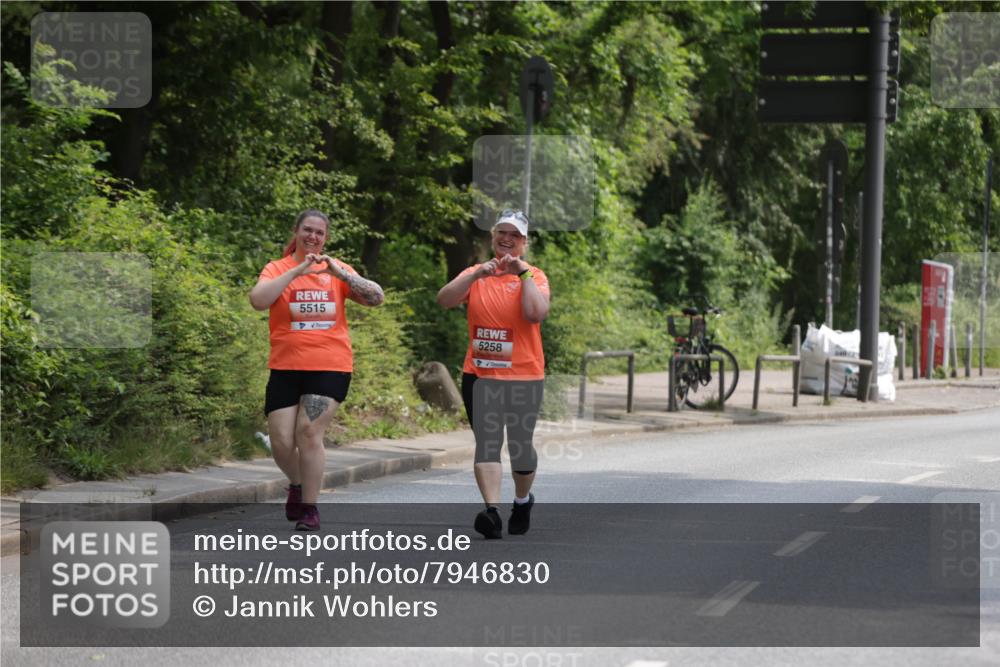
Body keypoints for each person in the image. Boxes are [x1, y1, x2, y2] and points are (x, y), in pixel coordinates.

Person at [249, 209, 384, 530]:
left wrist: (342, 275)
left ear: (326, 238)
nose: (313, 236)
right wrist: (296, 272)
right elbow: (258, 300)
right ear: (296, 232)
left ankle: (310, 507)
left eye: (319, 233)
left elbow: (376, 297)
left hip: (329, 367)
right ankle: (297, 484)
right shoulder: (277, 268)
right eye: (307, 230)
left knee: (308, 432)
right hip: (285, 366)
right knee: (281, 441)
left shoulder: (336, 270)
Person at [436, 209, 550, 538]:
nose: (507, 239)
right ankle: (492, 512)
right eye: (502, 232)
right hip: (480, 375)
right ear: (493, 236)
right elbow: (444, 300)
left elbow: (535, 313)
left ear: (524, 243)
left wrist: (522, 274)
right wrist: (475, 276)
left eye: (515, 235)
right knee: (487, 443)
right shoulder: (476, 274)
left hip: (524, 377)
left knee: (520, 447)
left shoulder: (535, 276)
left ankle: (522, 500)